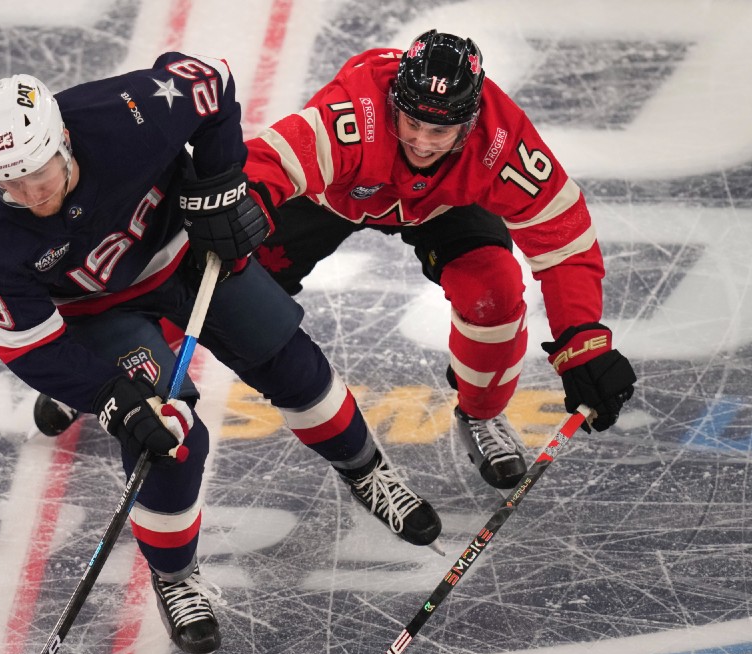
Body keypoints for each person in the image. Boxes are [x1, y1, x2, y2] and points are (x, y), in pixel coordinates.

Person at [0, 54, 441, 654]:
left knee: (288, 361)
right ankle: (176, 577)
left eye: (40, 172)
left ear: (64, 140)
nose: (31, 194)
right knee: (168, 436)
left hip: (186, 255)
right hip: (100, 313)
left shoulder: (125, 115)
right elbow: (28, 343)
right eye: (10, 185)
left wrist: (219, 183)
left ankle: (366, 469)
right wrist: (109, 395)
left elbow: (211, 82)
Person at [243, 30, 637, 489]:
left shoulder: (501, 137)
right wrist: (245, 204)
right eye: (411, 123)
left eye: (440, 130)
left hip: (444, 205)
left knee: (495, 288)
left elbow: (564, 239)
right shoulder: (354, 110)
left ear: (470, 123)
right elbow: (267, 160)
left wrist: (583, 339)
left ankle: (482, 414)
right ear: (393, 102)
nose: (423, 143)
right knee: (230, 286)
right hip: (333, 195)